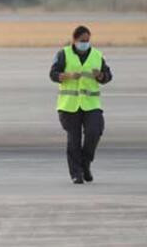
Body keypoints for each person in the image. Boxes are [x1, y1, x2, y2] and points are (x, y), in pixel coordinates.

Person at [50, 25, 113, 184]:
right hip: (69, 105)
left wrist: (100, 76)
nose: (85, 43)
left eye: (87, 40)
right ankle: (76, 173)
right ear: (74, 40)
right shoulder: (63, 54)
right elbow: (53, 74)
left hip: (91, 104)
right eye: (82, 41)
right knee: (74, 140)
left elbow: (108, 76)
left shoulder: (97, 55)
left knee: (95, 131)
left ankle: (85, 163)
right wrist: (65, 76)